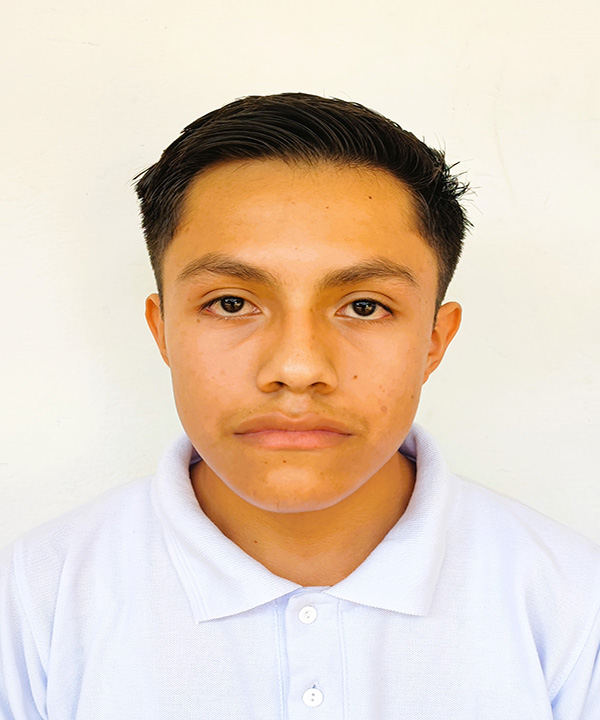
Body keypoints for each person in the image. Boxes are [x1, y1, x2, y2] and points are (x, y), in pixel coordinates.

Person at [1, 93, 598, 719]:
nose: (297, 367)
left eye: (364, 306)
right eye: (231, 303)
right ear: (163, 331)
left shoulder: (572, 603)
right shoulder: (39, 595)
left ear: (433, 341)